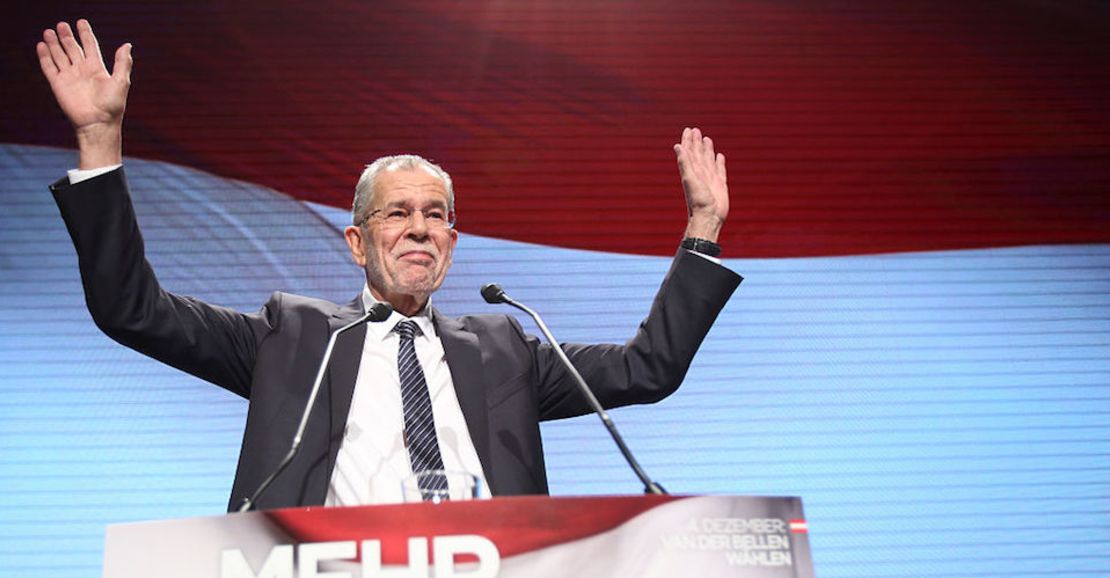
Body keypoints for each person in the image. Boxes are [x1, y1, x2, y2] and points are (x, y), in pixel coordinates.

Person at [37, 19, 742, 510]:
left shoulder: (506, 351)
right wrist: (100, 142)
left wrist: (703, 227)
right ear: (356, 241)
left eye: (436, 215)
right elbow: (133, 310)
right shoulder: (293, 336)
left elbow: (649, 369)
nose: (420, 229)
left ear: (452, 246)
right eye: (397, 213)